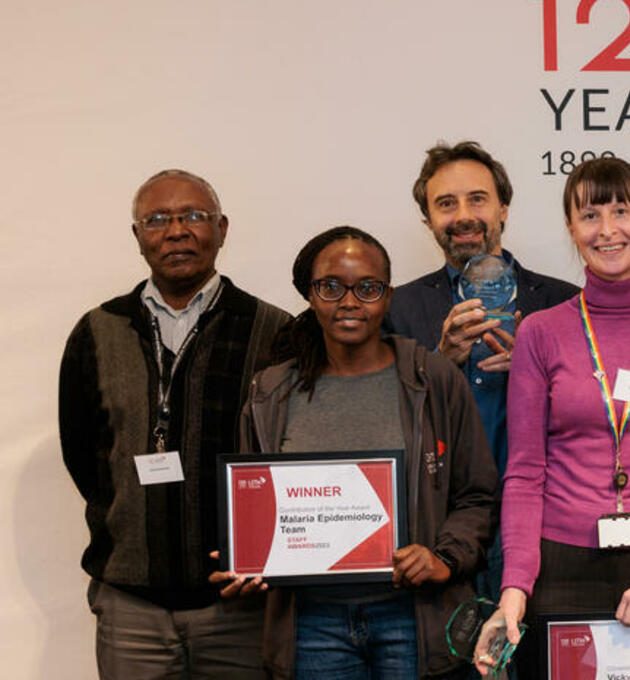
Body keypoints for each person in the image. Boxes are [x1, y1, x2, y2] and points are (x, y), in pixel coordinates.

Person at [473, 158, 630, 675]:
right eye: (589, 215)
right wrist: (514, 592)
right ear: (571, 228)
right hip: (560, 568)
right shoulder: (542, 332)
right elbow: (524, 474)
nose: (607, 230)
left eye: (621, 211)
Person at [228, 226, 498, 679]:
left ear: (387, 297)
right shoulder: (271, 392)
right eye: (331, 287)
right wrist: (247, 556)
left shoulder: (433, 378)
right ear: (311, 296)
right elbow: (254, 502)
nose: (349, 301)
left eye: (367, 288)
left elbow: (478, 495)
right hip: (311, 625)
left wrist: (444, 558)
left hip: (413, 619)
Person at [59, 169, 290, 678]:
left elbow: (289, 457)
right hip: (130, 604)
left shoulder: (274, 331)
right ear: (138, 236)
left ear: (222, 228)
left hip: (239, 606)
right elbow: (82, 453)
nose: (177, 230)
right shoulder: (97, 331)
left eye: (193, 216)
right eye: (158, 219)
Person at [387, 141, 581, 601]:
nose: (463, 215)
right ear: (428, 220)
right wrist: (440, 364)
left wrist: (540, 375)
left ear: (504, 209)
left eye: (477, 198)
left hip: (546, 526)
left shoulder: (564, 303)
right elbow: (380, 423)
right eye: (445, 204)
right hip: (439, 533)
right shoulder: (399, 309)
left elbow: (598, 417)